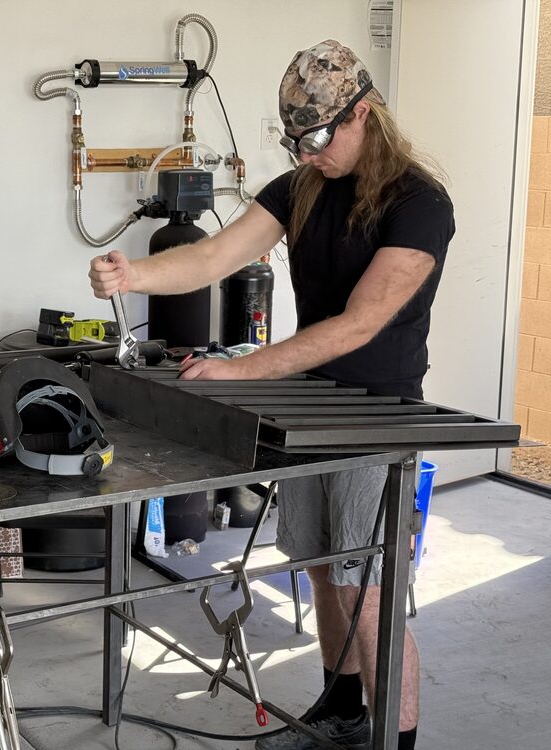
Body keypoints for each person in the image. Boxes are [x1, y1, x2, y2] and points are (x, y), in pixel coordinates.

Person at [88, 39, 454, 750]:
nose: (305, 153)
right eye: (293, 142)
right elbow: (214, 256)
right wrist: (131, 275)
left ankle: (395, 741)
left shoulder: (419, 203)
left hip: (375, 419)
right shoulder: (303, 187)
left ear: (363, 114)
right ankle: (343, 710)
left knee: (369, 592)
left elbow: (361, 322)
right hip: (314, 408)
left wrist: (246, 368)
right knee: (320, 569)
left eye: (316, 137)